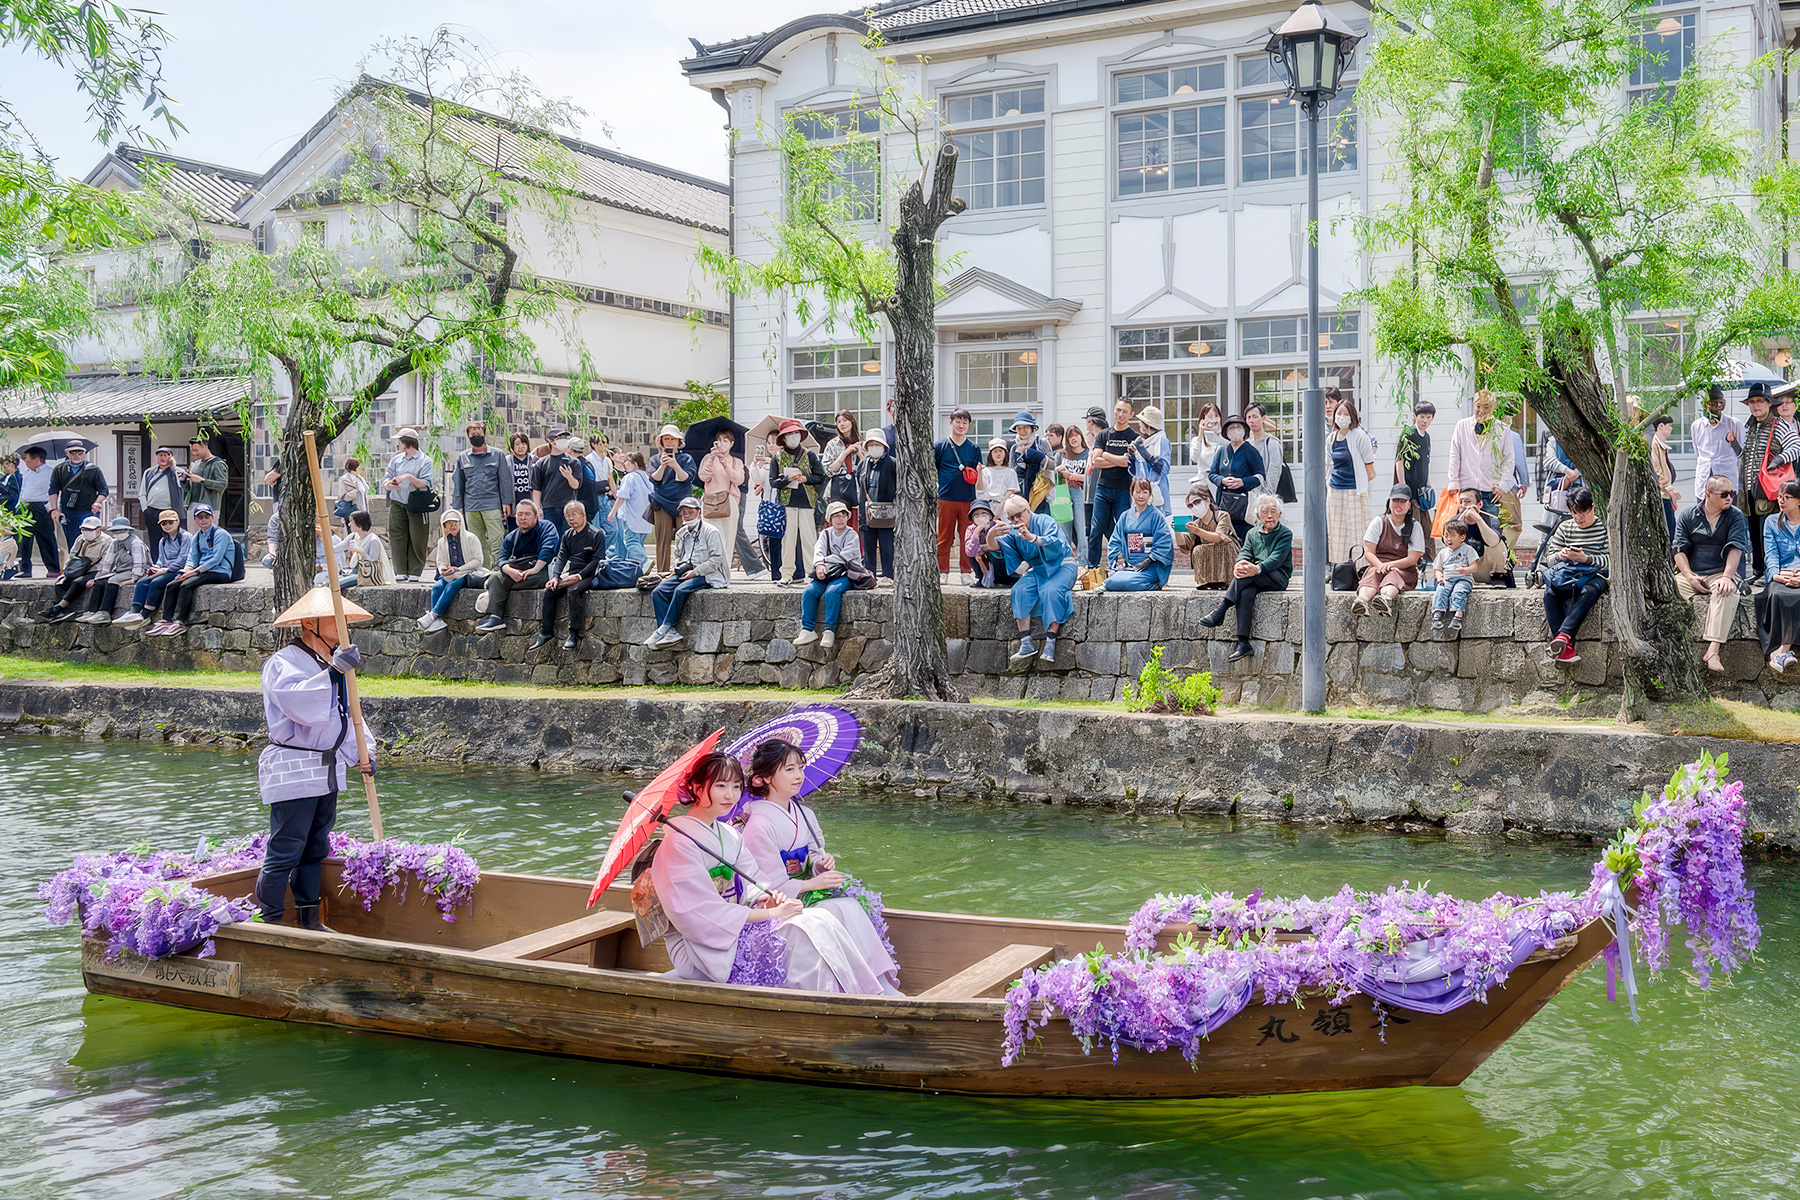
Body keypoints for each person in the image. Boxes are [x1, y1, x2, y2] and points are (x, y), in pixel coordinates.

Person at [647, 752, 893, 995]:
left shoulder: (729, 834)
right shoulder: (678, 844)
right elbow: (699, 913)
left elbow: (755, 881)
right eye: (720, 786)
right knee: (804, 928)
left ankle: (862, 991)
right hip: (703, 948)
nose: (730, 795)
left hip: (738, 923)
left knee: (820, 920)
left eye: (735, 786)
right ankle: (819, 1004)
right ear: (696, 787)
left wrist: (767, 898)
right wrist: (773, 913)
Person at [735, 740, 901, 994]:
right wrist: (814, 883)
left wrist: (820, 866)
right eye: (789, 769)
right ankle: (849, 989)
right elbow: (769, 886)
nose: (799, 775)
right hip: (775, 905)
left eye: (800, 767)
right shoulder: (757, 823)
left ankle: (878, 983)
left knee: (850, 907)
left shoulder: (805, 814)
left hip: (803, 893)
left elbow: (812, 856)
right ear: (765, 777)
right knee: (824, 918)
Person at [256, 588, 375, 929]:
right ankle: (270, 922)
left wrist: (363, 752)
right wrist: (334, 672)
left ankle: (310, 920)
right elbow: (297, 702)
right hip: (294, 768)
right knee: (286, 848)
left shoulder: (330, 664)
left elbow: (349, 714)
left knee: (315, 847)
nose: (343, 628)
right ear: (310, 624)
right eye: (335, 621)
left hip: (327, 766)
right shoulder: (283, 662)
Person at [1199, 494, 1293, 663]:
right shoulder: (1252, 533)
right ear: (1258, 515)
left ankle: (1220, 611)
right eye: (1265, 512)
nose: (1269, 515)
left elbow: (1276, 559)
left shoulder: (1285, 534)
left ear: (1279, 514)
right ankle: (1243, 643)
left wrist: (1256, 568)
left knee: (1244, 579)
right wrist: (1240, 564)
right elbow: (1245, 552)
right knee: (1246, 592)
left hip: (1276, 577)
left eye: (1273, 511)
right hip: (1255, 577)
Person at [1673, 475, 1753, 674]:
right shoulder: (1687, 515)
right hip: (1693, 574)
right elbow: (1679, 550)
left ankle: (1713, 650)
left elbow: (1736, 549)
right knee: (1667, 586)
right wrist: (1690, 576)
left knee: (1727, 591)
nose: (1730, 498)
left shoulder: (1735, 515)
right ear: (1707, 494)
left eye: (1732, 493)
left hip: (1721, 572)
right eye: (1724, 494)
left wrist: (1727, 577)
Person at [994, 493, 1076, 665]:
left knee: (1050, 591)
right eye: (1012, 517)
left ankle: (1051, 642)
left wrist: (1032, 537)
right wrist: (992, 532)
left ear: (1028, 510)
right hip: (1039, 570)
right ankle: (1026, 643)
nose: (1016, 519)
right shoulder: (1014, 531)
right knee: (1019, 589)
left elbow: (1056, 543)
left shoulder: (1045, 520)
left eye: (1019, 514)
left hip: (1062, 566)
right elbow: (995, 545)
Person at [1445, 389, 1518, 583]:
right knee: (1461, 529)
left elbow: (1509, 459)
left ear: (1493, 407)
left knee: (1493, 532)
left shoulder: (1503, 430)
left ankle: (1497, 572)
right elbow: (1455, 454)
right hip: (1466, 487)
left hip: (1489, 489)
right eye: (1478, 407)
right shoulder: (1462, 426)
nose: (1481, 411)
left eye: (1486, 407)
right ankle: (1460, 569)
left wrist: (1502, 485)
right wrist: (1454, 483)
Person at [646, 495, 727, 647]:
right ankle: (670, 633)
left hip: (709, 574)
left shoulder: (711, 532)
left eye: (691, 510)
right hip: (686, 572)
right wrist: (678, 566)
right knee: (658, 591)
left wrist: (696, 571)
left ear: (699, 512)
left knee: (680, 590)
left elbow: (716, 560)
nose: (687, 514)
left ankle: (664, 628)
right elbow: (677, 555)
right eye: (683, 511)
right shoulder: (680, 533)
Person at [1540, 487, 1609, 666]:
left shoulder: (1604, 528)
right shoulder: (1565, 527)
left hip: (1596, 574)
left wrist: (1587, 558)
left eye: (1584, 512)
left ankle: (1562, 639)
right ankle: (1565, 646)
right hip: (1568, 573)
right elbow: (1549, 559)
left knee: (1590, 591)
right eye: (1575, 513)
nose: (1579, 518)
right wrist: (1561, 556)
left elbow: (1612, 560)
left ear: (1592, 507)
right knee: (1550, 593)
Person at [1740, 382, 1800, 580]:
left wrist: (1777, 461)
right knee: (1753, 530)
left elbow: (1795, 447)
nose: (1755, 405)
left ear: (1768, 404)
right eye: (1752, 402)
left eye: (1760, 401)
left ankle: (1771, 572)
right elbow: (1745, 455)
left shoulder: (1780, 424)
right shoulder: (1750, 426)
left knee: (1768, 531)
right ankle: (1758, 570)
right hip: (1749, 487)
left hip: (1770, 489)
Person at [144, 503, 232, 636]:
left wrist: (195, 572)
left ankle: (180, 621)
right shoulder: (197, 536)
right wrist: (184, 572)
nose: (203, 520)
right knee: (173, 584)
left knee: (186, 585)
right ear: (195, 520)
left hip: (220, 571)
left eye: (206, 517)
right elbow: (192, 559)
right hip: (202, 570)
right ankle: (166, 620)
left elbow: (216, 559)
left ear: (212, 518)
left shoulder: (221, 534)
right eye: (200, 517)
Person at [474, 498, 558, 634]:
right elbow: (501, 558)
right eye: (519, 514)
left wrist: (533, 570)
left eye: (527, 514)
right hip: (518, 573)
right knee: (496, 576)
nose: (523, 518)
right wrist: (508, 569)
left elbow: (548, 550)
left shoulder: (547, 527)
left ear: (536, 516)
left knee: (496, 581)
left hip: (541, 572)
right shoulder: (511, 537)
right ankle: (495, 618)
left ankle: (493, 603)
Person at [534, 499, 609, 650]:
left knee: (574, 591)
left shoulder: (596, 534)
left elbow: (597, 560)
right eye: (567, 515)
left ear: (584, 516)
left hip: (591, 574)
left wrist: (579, 576)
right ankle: (546, 632)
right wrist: (555, 576)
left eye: (574, 514)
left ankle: (574, 633)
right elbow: (561, 557)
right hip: (573, 572)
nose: (571, 518)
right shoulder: (567, 535)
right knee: (550, 590)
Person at [795, 500, 866, 650]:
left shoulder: (852, 535)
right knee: (810, 591)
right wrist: (819, 565)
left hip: (845, 574)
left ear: (847, 517)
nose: (840, 519)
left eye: (843, 516)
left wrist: (824, 561)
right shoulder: (825, 534)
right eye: (836, 516)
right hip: (827, 573)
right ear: (830, 519)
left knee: (832, 591)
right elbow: (818, 551)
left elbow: (844, 556)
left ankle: (829, 630)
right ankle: (807, 629)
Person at [1353, 485, 1427, 616]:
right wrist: (1381, 566)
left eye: (1403, 501)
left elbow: (1413, 558)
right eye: (1395, 500)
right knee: (1372, 574)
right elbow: (1368, 552)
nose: (1398, 504)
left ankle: (1385, 599)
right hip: (1378, 566)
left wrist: (1391, 566)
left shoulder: (1415, 526)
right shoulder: (1378, 522)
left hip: (1404, 570)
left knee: (1393, 575)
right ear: (1389, 502)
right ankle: (1362, 601)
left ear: (1409, 504)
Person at [1086, 398, 1140, 569]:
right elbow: (1095, 461)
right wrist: (1118, 459)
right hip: (1103, 488)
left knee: (1126, 529)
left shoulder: (1135, 437)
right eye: (1118, 410)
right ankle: (1092, 567)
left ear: (1131, 414)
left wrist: (1106, 455)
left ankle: (1131, 564)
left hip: (1124, 489)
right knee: (1096, 530)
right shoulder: (1104, 434)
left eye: (1124, 411)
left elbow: (1128, 463)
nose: (1120, 414)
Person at [114, 511, 191, 628]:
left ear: (178, 522)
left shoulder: (186, 537)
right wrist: (156, 567)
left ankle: (146, 613)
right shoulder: (163, 541)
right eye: (164, 523)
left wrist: (165, 570)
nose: (167, 526)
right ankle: (134, 611)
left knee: (156, 582)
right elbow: (161, 560)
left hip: (179, 570)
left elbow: (183, 559)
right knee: (142, 582)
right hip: (164, 570)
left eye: (170, 522)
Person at [770, 420, 824, 586]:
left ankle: (812, 571)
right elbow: (773, 482)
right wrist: (786, 480)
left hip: (807, 502)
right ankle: (786, 573)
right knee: (788, 539)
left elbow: (821, 476)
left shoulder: (810, 455)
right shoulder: (777, 457)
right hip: (786, 503)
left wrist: (805, 479)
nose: (793, 437)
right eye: (789, 434)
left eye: (796, 433)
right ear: (783, 438)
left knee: (809, 539)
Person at [451, 420, 512, 567]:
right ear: (468, 436)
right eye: (473, 434)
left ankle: (499, 569)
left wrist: (507, 502)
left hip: (492, 504)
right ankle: (482, 571)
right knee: (477, 542)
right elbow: (458, 484)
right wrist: (457, 509)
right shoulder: (462, 457)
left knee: (496, 540)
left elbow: (505, 480)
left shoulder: (497, 455)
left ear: (484, 434)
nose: (476, 436)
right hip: (471, 507)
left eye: (479, 433)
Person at [1755, 479, 1800, 674]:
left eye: (1787, 497)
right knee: (1781, 594)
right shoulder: (1772, 521)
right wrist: (1776, 575)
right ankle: (1782, 651)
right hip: (1782, 572)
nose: (1781, 501)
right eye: (1779, 496)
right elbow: (1771, 554)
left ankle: (1782, 651)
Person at [35, 515, 115, 623]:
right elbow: (72, 556)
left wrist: (96, 578)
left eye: (89, 529)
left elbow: (105, 563)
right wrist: (65, 571)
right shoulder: (80, 539)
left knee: (78, 582)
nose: (86, 532)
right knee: (61, 583)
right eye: (83, 529)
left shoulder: (107, 541)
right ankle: (64, 612)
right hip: (79, 568)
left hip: (95, 570)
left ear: (98, 530)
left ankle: (59, 607)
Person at [1325, 396, 1377, 564]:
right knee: (1337, 532)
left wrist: (1360, 486)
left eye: (1346, 414)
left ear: (1353, 416)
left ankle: (1360, 567)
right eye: (1338, 414)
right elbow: (1328, 464)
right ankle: (1339, 568)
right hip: (1335, 490)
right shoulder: (1331, 439)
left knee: (1358, 531)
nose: (1341, 417)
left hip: (1355, 491)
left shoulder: (1360, 436)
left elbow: (1371, 471)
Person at [1100, 478, 1175, 593]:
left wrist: (1150, 559)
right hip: (1128, 566)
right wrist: (1120, 558)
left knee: (1127, 582)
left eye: (1145, 492)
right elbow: (1115, 540)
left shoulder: (1156, 516)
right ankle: (1135, 580)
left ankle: (1152, 584)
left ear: (1150, 494)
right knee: (1111, 581)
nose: (1141, 496)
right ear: (1131, 493)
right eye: (1138, 492)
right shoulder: (1125, 516)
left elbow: (1164, 541)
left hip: (1149, 567)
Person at [934, 407, 982, 582]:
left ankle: (965, 572)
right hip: (945, 497)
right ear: (951, 422)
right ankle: (942, 571)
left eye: (965, 422)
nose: (961, 425)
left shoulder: (974, 448)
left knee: (967, 536)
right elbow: (934, 469)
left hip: (968, 499)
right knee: (944, 536)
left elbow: (978, 474)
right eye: (958, 421)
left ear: (969, 425)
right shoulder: (939, 446)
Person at [419, 508, 486, 634]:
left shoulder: (471, 538)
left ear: (461, 523)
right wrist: (442, 569)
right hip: (451, 574)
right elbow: (440, 561)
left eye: (456, 522)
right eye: (449, 524)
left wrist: (460, 569)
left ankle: (433, 614)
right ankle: (437, 620)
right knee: (438, 586)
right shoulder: (442, 542)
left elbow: (478, 561)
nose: (453, 526)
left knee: (455, 583)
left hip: (469, 573)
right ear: (444, 526)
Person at [379, 429, 434, 581]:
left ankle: (415, 572)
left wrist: (408, 477)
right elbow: (387, 477)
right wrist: (389, 484)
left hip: (416, 502)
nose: (397, 444)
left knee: (418, 536)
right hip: (397, 501)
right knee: (397, 536)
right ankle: (400, 570)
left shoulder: (425, 460)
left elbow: (425, 483)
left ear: (407, 443)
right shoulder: (396, 460)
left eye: (399, 441)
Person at [646, 424, 698, 573]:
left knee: (686, 538)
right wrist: (663, 465)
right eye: (666, 438)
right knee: (662, 540)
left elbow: (686, 478)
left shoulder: (686, 458)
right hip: (661, 502)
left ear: (678, 441)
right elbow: (654, 479)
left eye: (672, 439)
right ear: (661, 441)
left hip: (683, 504)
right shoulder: (655, 459)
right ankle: (662, 572)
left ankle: (684, 570)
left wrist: (675, 465)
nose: (669, 441)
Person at [531, 427, 599, 539]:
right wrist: (537, 507)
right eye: (560, 438)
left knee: (567, 538)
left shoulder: (574, 462)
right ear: (552, 442)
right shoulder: (541, 463)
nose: (564, 440)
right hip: (549, 506)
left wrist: (569, 476)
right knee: (550, 538)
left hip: (568, 507)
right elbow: (537, 487)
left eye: (565, 438)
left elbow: (576, 485)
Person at [79, 516, 149, 623]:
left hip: (133, 571)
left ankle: (105, 612)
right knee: (100, 581)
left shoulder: (135, 543)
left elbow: (139, 565)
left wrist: (132, 579)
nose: (119, 532)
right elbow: (108, 562)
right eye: (116, 530)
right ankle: (92, 611)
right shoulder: (115, 542)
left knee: (113, 580)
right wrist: (100, 576)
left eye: (122, 530)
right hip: (120, 570)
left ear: (128, 530)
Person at [1207, 414, 1266, 540]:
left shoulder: (1251, 451)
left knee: (1244, 538)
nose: (1235, 430)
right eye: (1231, 428)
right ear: (1226, 432)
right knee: (1225, 537)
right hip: (1224, 502)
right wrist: (1222, 480)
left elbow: (1260, 476)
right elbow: (1212, 474)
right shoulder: (1221, 451)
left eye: (1238, 427)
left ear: (1244, 430)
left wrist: (1242, 482)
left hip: (1244, 506)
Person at [698, 427, 747, 574]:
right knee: (712, 538)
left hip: (729, 501)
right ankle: (711, 571)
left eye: (725, 440)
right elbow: (703, 476)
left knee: (728, 538)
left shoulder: (736, 461)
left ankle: (724, 572)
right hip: (710, 500)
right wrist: (712, 458)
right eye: (719, 440)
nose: (721, 444)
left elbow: (739, 480)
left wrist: (725, 463)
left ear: (731, 443)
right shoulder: (708, 458)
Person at [49, 443, 109, 559]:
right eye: (73, 453)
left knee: (89, 539)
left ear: (84, 454)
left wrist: (97, 502)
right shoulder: (60, 469)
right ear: (67, 453)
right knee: (71, 542)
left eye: (80, 453)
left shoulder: (93, 469)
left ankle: (90, 563)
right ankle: (74, 565)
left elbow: (103, 490)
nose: (77, 456)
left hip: (87, 511)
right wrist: (54, 509)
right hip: (68, 511)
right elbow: (53, 490)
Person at [1177, 477, 1239, 589]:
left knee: (1222, 547)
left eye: (1197, 502)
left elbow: (1219, 537)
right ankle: (1208, 581)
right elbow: (1186, 546)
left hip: (1227, 555)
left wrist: (1197, 531)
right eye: (1190, 505)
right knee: (1198, 550)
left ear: (1208, 500)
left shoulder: (1222, 515)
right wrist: (1177, 530)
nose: (1194, 507)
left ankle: (1225, 581)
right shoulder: (1197, 523)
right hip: (1210, 562)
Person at [856, 429, 897, 580]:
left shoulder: (893, 464)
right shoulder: (862, 465)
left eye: (877, 444)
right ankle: (869, 576)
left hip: (887, 514)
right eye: (871, 444)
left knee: (887, 548)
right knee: (868, 548)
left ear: (884, 446)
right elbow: (860, 488)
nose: (874, 447)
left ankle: (888, 576)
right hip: (867, 514)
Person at [1691, 386, 1743, 503]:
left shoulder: (1733, 424)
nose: (1718, 406)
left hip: (1727, 475)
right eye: (1714, 403)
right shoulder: (1697, 425)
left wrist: (1732, 441)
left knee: (1728, 514)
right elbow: (1697, 451)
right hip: (1704, 476)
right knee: (1703, 513)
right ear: (1706, 404)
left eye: (1721, 403)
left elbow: (1740, 454)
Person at [1394, 402, 1435, 548]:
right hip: (1409, 488)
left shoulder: (1427, 437)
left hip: (1422, 489)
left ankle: (1424, 557)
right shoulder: (1409, 433)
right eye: (1422, 416)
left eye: (1428, 417)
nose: (1425, 420)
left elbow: (1426, 461)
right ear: (1414, 416)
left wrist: (1428, 483)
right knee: (1410, 523)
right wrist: (1403, 486)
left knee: (1424, 525)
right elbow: (1399, 460)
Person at [1430, 519, 1480, 634]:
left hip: (1464, 578)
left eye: (1452, 535)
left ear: (1462, 537)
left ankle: (1458, 615)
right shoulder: (1443, 553)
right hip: (1448, 578)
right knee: (1441, 590)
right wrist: (1439, 577)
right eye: (1446, 535)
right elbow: (1437, 568)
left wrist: (1465, 570)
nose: (1448, 539)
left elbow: (1474, 567)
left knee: (1459, 591)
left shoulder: (1468, 550)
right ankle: (1437, 614)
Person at [13, 445, 56, 576]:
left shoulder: (51, 472)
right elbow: (23, 490)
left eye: (28, 461)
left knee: (46, 539)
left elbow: (54, 491)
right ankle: (25, 569)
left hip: (42, 507)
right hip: (26, 507)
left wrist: (51, 508)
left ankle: (53, 568)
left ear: (37, 459)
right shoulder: (28, 473)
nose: (26, 463)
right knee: (25, 539)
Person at [1455, 488, 1510, 583]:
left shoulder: (1491, 520)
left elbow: (1493, 542)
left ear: (1479, 504)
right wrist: (1460, 523)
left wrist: (1478, 519)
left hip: (1486, 569)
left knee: (1499, 544)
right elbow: (1449, 543)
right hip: (1464, 569)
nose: (1463, 505)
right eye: (1460, 502)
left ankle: (1498, 577)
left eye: (1467, 502)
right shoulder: (1454, 521)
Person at [608, 449, 653, 565]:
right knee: (638, 543)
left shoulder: (630, 477)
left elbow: (622, 496)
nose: (625, 464)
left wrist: (613, 512)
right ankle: (637, 568)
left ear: (636, 464)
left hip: (633, 517)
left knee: (631, 541)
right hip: (646, 518)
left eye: (628, 462)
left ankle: (644, 561)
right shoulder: (647, 478)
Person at [821, 410, 863, 531]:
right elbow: (828, 470)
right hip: (837, 488)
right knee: (839, 520)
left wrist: (859, 452)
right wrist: (845, 453)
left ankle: (856, 549)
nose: (842, 424)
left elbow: (867, 466)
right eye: (839, 421)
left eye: (845, 420)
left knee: (857, 523)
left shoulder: (861, 442)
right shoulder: (832, 444)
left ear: (852, 422)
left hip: (857, 487)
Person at [1129, 405, 1172, 517]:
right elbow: (1135, 472)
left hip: (1157, 495)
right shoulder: (1141, 441)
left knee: (1160, 530)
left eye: (1141, 422)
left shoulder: (1162, 441)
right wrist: (1132, 457)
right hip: (1139, 495)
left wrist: (1144, 452)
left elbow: (1164, 469)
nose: (1139, 425)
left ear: (1147, 425)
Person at [334, 510, 391, 589]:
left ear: (359, 525)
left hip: (364, 575)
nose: (349, 524)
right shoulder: (354, 535)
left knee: (336, 585)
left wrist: (360, 551)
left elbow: (373, 562)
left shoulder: (373, 540)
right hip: (352, 572)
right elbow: (338, 548)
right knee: (329, 582)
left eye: (351, 521)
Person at [138, 446, 186, 539]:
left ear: (171, 457)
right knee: (154, 539)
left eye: (166, 455)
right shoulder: (149, 472)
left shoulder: (177, 471)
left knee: (172, 538)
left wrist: (174, 467)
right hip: (152, 511)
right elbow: (142, 493)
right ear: (157, 457)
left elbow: (182, 484)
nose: (163, 458)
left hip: (171, 510)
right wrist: (145, 509)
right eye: (161, 455)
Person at [1244, 403, 1285, 507]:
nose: (1251, 420)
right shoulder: (1245, 444)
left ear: (1263, 418)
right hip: (1248, 498)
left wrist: (1268, 497)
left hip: (1266, 499)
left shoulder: (1272, 443)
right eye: (1248, 417)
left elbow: (1274, 471)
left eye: (1255, 416)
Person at [182, 437, 228, 527]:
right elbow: (190, 488)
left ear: (205, 447)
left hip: (209, 505)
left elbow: (222, 485)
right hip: (192, 504)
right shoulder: (195, 464)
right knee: (193, 537)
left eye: (196, 450)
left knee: (208, 537)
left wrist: (203, 480)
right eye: (192, 450)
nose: (193, 452)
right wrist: (183, 480)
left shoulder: (217, 463)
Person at [1650, 413, 1679, 538]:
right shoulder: (1654, 443)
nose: (1671, 428)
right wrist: (1669, 488)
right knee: (1670, 532)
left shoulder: (1658, 442)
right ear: (1660, 426)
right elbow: (1656, 470)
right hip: (1663, 494)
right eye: (1669, 426)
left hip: (1666, 494)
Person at [504, 433, 536, 533]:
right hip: (514, 504)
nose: (520, 447)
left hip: (530, 501)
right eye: (517, 444)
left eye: (523, 444)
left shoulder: (534, 460)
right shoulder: (507, 461)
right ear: (512, 446)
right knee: (514, 533)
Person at [1187, 402, 1227, 479]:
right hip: (1203, 479)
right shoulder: (1196, 440)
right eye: (1210, 417)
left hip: (1220, 478)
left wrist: (1219, 433)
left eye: (1216, 416)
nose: (1213, 420)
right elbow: (1194, 458)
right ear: (1203, 419)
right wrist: (1201, 432)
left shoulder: (1222, 439)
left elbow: (1230, 450)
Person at [978, 438, 1020, 507]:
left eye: (1001, 451)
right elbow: (979, 489)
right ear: (990, 454)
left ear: (1005, 453)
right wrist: (979, 472)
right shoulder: (985, 471)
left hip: (1005, 506)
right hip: (986, 506)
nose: (998, 454)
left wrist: (999, 509)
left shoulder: (1010, 472)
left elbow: (1011, 491)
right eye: (995, 451)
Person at [336, 458, 370, 537]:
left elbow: (365, 491)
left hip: (361, 509)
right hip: (351, 509)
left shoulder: (360, 479)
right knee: (351, 533)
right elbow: (343, 496)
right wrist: (357, 491)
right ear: (356, 468)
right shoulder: (344, 479)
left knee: (361, 532)